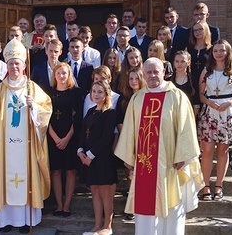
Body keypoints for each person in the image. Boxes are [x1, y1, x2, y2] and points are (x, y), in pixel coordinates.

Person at [114, 57, 204, 235]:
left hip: (170, 163)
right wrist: (129, 156)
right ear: (143, 74)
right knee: (145, 207)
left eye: (156, 71)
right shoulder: (137, 99)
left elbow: (186, 128)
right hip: (144, 164)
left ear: (163, 72)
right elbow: (130, 129)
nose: (153, 75)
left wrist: (183, 156)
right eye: (149, 72)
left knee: (172, 204)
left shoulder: (177, 96)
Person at [0, 39, 52, 234]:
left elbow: (46, 110)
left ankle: (27, 220)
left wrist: (35, 107)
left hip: (28, 146)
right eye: (11, 64)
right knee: (6, 179)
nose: (14, 66)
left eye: (18, 63)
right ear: (6, 66)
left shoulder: (32, 89)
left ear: (24, 65)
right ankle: (6, 220)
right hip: (5, 147)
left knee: (26, 179)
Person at [198, 39, 232, 201]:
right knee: (207, 151)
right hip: (210, 112)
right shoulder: (207, 71)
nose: (219, 53)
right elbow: (201, 94)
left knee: (223, 150)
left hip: (228, 112)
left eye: (222, 50)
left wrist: (229, 103)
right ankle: (205, 187)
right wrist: (210, 102)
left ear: (228, 52)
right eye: (216, 50)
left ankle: (218, 186)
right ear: (212, 52)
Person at [78, 80, 117, 235]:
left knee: (104, 193)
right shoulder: (90, 111)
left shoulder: (110, 113)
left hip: (102, 159)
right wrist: (80, 151)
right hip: (88, 159)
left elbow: (106, 138)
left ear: (106, 94)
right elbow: (82, 134)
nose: (96, 94)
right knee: (94, 191)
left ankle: (107, 226)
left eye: (100, 91)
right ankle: (97, 224)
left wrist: (90, 155)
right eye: (94, 91)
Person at [48, 62, 84, 218]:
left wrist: (67, 138)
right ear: (54, 76)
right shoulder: (48, 93)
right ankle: (59, 205)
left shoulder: (75, 93)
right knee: (55, 171)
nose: (61, 76)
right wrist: (56, 138)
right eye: (59, 73)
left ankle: (67, 205)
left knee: (70, 171)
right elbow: (45, 118)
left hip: (70, 137)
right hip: (53, 137)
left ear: (69, 75)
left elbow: (78, 117)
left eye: (64, 73)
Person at [116, 68, 146, 220]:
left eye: (136, 78)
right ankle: (132, 205)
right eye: (131, 79)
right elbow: (120, 120)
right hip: (129, 138)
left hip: (146, 139)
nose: (133, 81)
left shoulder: (148, 96)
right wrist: (127, 136)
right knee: (130, 173)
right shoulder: (125, 98)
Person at [187, 20, 212, 111]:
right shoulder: (189, 48)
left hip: (206, 82)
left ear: (205, 30)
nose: (197, 32)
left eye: (200, 29)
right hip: (192, 81)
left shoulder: (211, 49)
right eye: (195, 30)